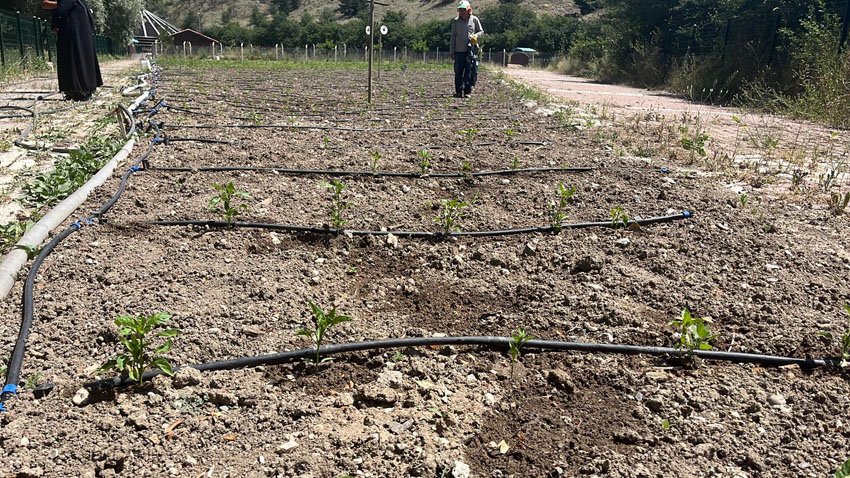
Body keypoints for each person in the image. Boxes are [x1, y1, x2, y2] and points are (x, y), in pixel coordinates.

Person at [41, 0, 103, 101]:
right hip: (68, 19)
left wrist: (63, 5)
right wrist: (57, 20)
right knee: (69, 52)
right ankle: (71, 89)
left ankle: (83, 89)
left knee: (80, 51)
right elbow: (46, 4)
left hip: (78, 18)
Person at [449, 0, 483, 98]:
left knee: (469, 71)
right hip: (458, 51)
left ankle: (467, 91)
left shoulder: (474, 19)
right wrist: (452, 51)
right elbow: (453, 37)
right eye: (460, 10)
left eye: (463, 10)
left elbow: (481, 31)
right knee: (458, 71)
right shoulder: (456, 21)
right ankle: (458, 91)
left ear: (469, 10)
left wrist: (475, 36)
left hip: (470, 51)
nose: (461, 12)